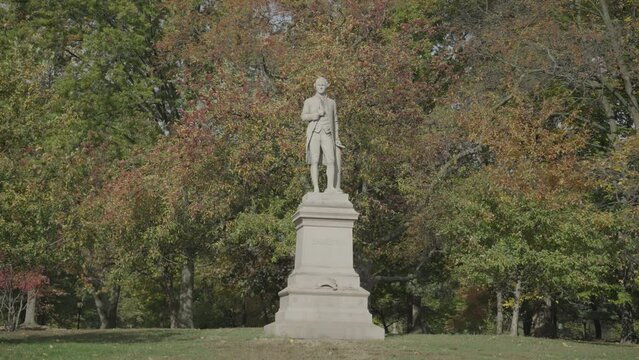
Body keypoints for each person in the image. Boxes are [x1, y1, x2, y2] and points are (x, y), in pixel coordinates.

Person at [301, 77, 344, 193]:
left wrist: (337, 137)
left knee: (331, 160)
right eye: (318, 85)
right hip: (315, 133)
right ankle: (316, 188)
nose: (320, 86)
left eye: (323, 85)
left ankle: (330, 187)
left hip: (327, 133)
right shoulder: (309, 101)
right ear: (314, 85)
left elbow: (335, 121)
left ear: (327, 86)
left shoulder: (332, 103)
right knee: (314, 161)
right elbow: (303, 116)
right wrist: (315, 115)